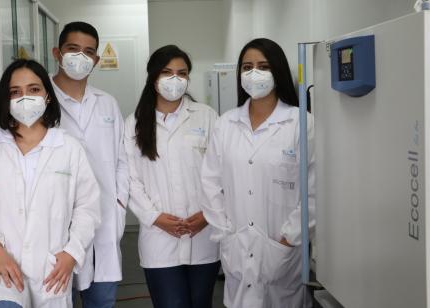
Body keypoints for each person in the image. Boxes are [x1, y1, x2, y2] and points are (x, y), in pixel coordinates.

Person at [0, 59, 101, 308]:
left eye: (33, 90)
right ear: (5, 100)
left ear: (48, 96)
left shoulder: (69, 149)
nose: (25, 98)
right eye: (15, 92)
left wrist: (72, 253)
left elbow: (88, 208)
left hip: (50, 268)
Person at [201, 38, 316, 307]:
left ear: (278, 71)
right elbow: (209, 182)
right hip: (236, 244)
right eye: (247, 67)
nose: (254, 74)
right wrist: (224, 232)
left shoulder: (301, 123)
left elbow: (315, 188)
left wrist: (289, 238)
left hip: (284, 247)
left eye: (263, 66)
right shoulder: (226, 123)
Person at [124, 45, 220, 308]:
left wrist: (207, 215)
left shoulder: (207, 117)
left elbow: (222, 174)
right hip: (159, 238)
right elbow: (129, 179)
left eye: (182, 73)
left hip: (203, 233)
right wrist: (155, 217)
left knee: (201, 303)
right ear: (153, 77)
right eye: (167, 72)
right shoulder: (133, 123)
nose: (174, 80)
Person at [50, 21, 129, 308]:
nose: (81, 57)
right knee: (60, 299)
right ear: (57, 53)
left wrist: (119, 207)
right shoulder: (40, 99)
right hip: (56, 230)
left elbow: (122, 161)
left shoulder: (107, 103)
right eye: (73, 49)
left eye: (88, 52)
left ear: (96, 60)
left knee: (102, 301)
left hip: (104, 225)